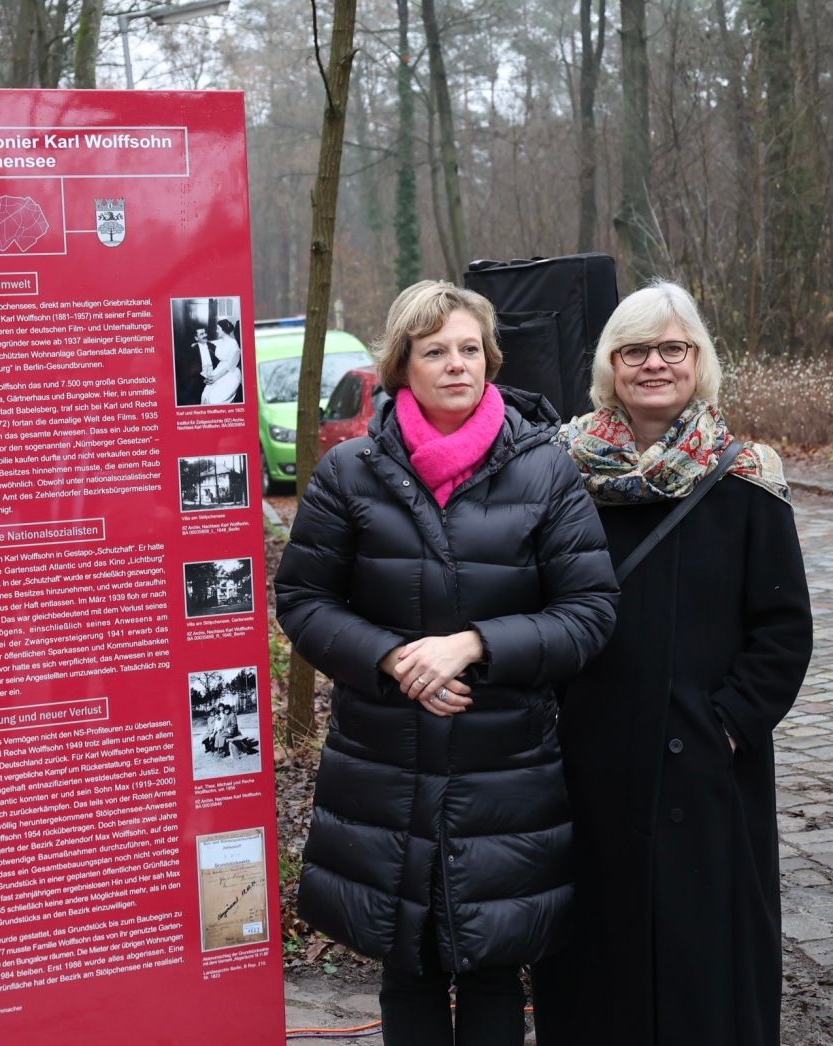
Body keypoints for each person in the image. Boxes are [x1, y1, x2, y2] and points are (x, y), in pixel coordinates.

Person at [275, 280, 617, 1046]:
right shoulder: (349, 472)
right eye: (435, 351)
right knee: (409, 964)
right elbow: (303, 601)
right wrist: (392, 658)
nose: (456, 365)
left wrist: (477, 645)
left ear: (490, 360)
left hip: (505, 768)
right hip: (385, 762)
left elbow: (590, 612)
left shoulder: (545, 470)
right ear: (402, 365)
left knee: (495, 966)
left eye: (470, 349)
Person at [533, 281, 812, 1046]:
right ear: (609, 365)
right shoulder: (557, 473)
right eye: (634, 350)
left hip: (705, 770)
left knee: (705, 975)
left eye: (672, 348)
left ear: (699, 361)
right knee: (595, 969)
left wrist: (725, 727)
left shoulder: (749, 474)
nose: (654, 363)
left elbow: (784, 629)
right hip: (586, 766)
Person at [202, 319, 243, 405]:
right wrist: (196, 343)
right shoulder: (220, 342)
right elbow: (208, 342)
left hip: (230, 373)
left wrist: (215, 378)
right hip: (219, 369)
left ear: (224, 330)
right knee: (205, 395)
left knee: (214, 400)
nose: (216, 331)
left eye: (218, 329)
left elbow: (229, 367)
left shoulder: (234, 345)